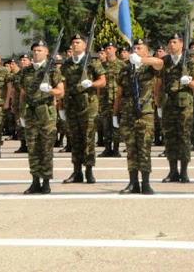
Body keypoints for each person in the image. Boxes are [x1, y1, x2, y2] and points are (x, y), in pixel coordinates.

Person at [114, 38, 164, 194]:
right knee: (131, 149)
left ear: (145, 50)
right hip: (128, 113)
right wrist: (115, 114)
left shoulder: (149, 68)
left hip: (145, 113)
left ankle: (146, 183)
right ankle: (133, 182)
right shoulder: (125, 70)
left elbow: (159, 63)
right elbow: (119, 93)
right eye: (134, 48)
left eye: (139, 48)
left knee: (144, 147)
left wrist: (141, 60)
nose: (135, 50)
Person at [20, 40, 64, 194]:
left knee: (46, 149)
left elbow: (61, 91)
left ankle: (46, 182)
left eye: (40, 50)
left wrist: (50, 90)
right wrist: (21, 114)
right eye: (35, 50)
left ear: (46, 52)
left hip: (46, 115)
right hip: (31, 114)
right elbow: (23, 93)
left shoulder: (53, 70)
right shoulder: (26, 71)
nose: (37, 53)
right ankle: (34, 181)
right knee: (32, 149)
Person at [61, 32, 106, 184]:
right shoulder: (67, 64)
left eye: (78, 42)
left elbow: (103, 81)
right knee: (74, 138)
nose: (75, 45)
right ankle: (77, 171)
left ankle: (89, 171)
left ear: (85, 45)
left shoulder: (93, 62)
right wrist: (61, 105)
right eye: (73, 42)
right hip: (72, 105)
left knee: (88, 138)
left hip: (88, 105)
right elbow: (63, 85)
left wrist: (92, 84)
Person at [161, 33, 194, 183]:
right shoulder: (165, 61)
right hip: (168, 104)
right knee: (170, 138)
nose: (172, 45)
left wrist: (189, 81)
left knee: (184, 137)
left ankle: (184, 172)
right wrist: (158, 102)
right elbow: (159, 82)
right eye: (170, 42)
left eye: (175, 42)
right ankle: (172, 171)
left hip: (185, 106)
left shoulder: (189, 62)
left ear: (181, 44)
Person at [99, 42, 125, 157]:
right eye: (106, 49)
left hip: (117, 98)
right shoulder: (101, 66)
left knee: (117, 123)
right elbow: (100, 84)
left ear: (115, 49)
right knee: (106, 124)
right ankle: (107, 148)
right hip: (105, 98)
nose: (107, 50)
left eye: (110, 48)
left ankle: (116, 148)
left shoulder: (122, 65)